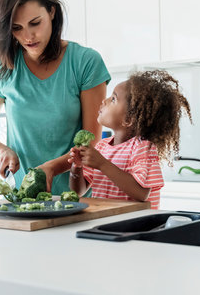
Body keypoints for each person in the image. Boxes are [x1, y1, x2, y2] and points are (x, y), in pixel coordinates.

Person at [0, 0, 109, 194]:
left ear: (52, 12)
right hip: (25, 203)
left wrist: (51, 169)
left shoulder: (85, 62)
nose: (28, 36)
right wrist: (1, 152)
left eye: (35, 23)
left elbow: (90, 144)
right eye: (17, 28)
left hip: (81, 201)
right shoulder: (3, 67)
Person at [68, 70, 192, 209]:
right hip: (106, 223)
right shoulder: (102, 146)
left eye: (113, 99)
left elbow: (141, 193)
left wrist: (102, 164)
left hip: (136, 226)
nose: (105, 101)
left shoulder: (143, 148)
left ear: (128, 119)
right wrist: (76, 167)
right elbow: (78, 191)